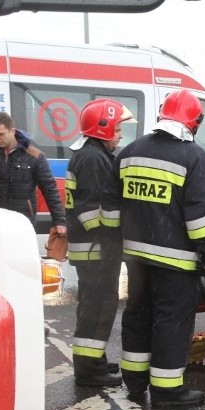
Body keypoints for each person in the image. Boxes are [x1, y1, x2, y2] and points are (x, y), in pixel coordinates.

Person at [99, 89, 205, 407]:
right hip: (176, 262)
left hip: (135, 258)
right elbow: (201, 218)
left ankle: (135, 382)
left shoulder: (130, 152)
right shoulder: (194, 157)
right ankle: (168, 391)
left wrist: (116, 243)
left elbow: (109, 209)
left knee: (137, 316)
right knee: (171, 321)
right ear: (195, 122)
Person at [66, 99, 136, 387]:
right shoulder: (94, 159)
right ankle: (88, 369)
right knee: (98, 307)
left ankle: (93, 359)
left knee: (94, 306)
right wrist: (110, 239)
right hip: (96, 249)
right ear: (103, 128)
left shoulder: (89, 154)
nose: (120, 135)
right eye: (118, 129)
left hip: (91, 248)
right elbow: (90, 209)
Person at [0, 111, 67, 234]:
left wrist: (60, 221)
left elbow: (50, 190)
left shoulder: (34, 156)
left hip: (22, 220)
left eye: (0, 134)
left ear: (12, 131)